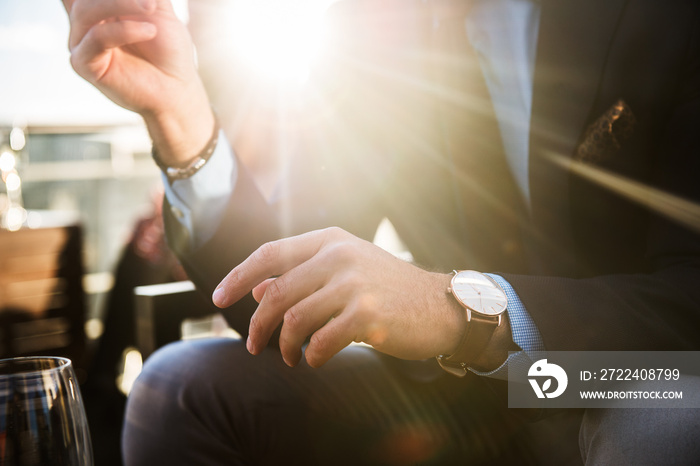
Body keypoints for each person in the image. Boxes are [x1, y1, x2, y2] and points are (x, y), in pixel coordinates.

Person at [62, 0, 700, 464]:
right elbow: (284, 286)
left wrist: (458, 312)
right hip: (469, 400)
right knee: (180, 387)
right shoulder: (385, 45)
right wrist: (182, 114)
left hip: (637, 369)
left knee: (655, 425)